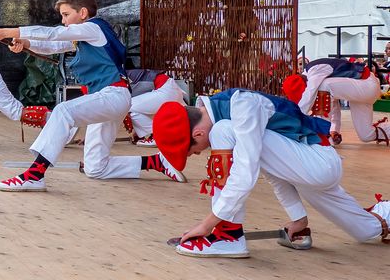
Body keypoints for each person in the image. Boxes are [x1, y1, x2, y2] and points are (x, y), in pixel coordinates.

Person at [152, 89, 390, 258]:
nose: (195, 155)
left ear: (197, 135)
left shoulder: (241, 106)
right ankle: (385, 212)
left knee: (225, 132)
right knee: (366, 231)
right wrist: (298, 217)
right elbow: (273, 172)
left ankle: (228, 236)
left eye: (191, 152)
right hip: (308, 169)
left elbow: (246, 172)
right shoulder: (232, 114)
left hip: (317, 163)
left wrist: (207, 225)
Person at [0, 0, 184, 190]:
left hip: (112, 95)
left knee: (63, 111)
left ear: (82, 13)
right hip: (110, 98)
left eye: (66, 15)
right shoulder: (86, 36)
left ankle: (35, 174)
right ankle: (156, 162)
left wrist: (10, 32)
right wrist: (26, 43)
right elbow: (53, 45)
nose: (63, 21)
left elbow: (54, 34)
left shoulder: (93, 28)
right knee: (96, 168)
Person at [283, 57, 387, 146]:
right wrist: (334, 130)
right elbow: (333, 102)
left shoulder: (315, 69)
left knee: (322, 87)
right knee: (366, 135)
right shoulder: (314, 75)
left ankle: (323, 135)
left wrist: (296, 119)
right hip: (361, 89)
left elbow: (309, 95)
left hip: (367, 84)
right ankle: (329, 133)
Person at [123, 68, 189, 147]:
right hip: (169, 88)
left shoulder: (118, 78)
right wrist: (137, 131)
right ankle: (158, 135)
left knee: (126, 106)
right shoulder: (119, 75)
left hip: (165, 90)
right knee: (133, 109)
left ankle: (158, 137)